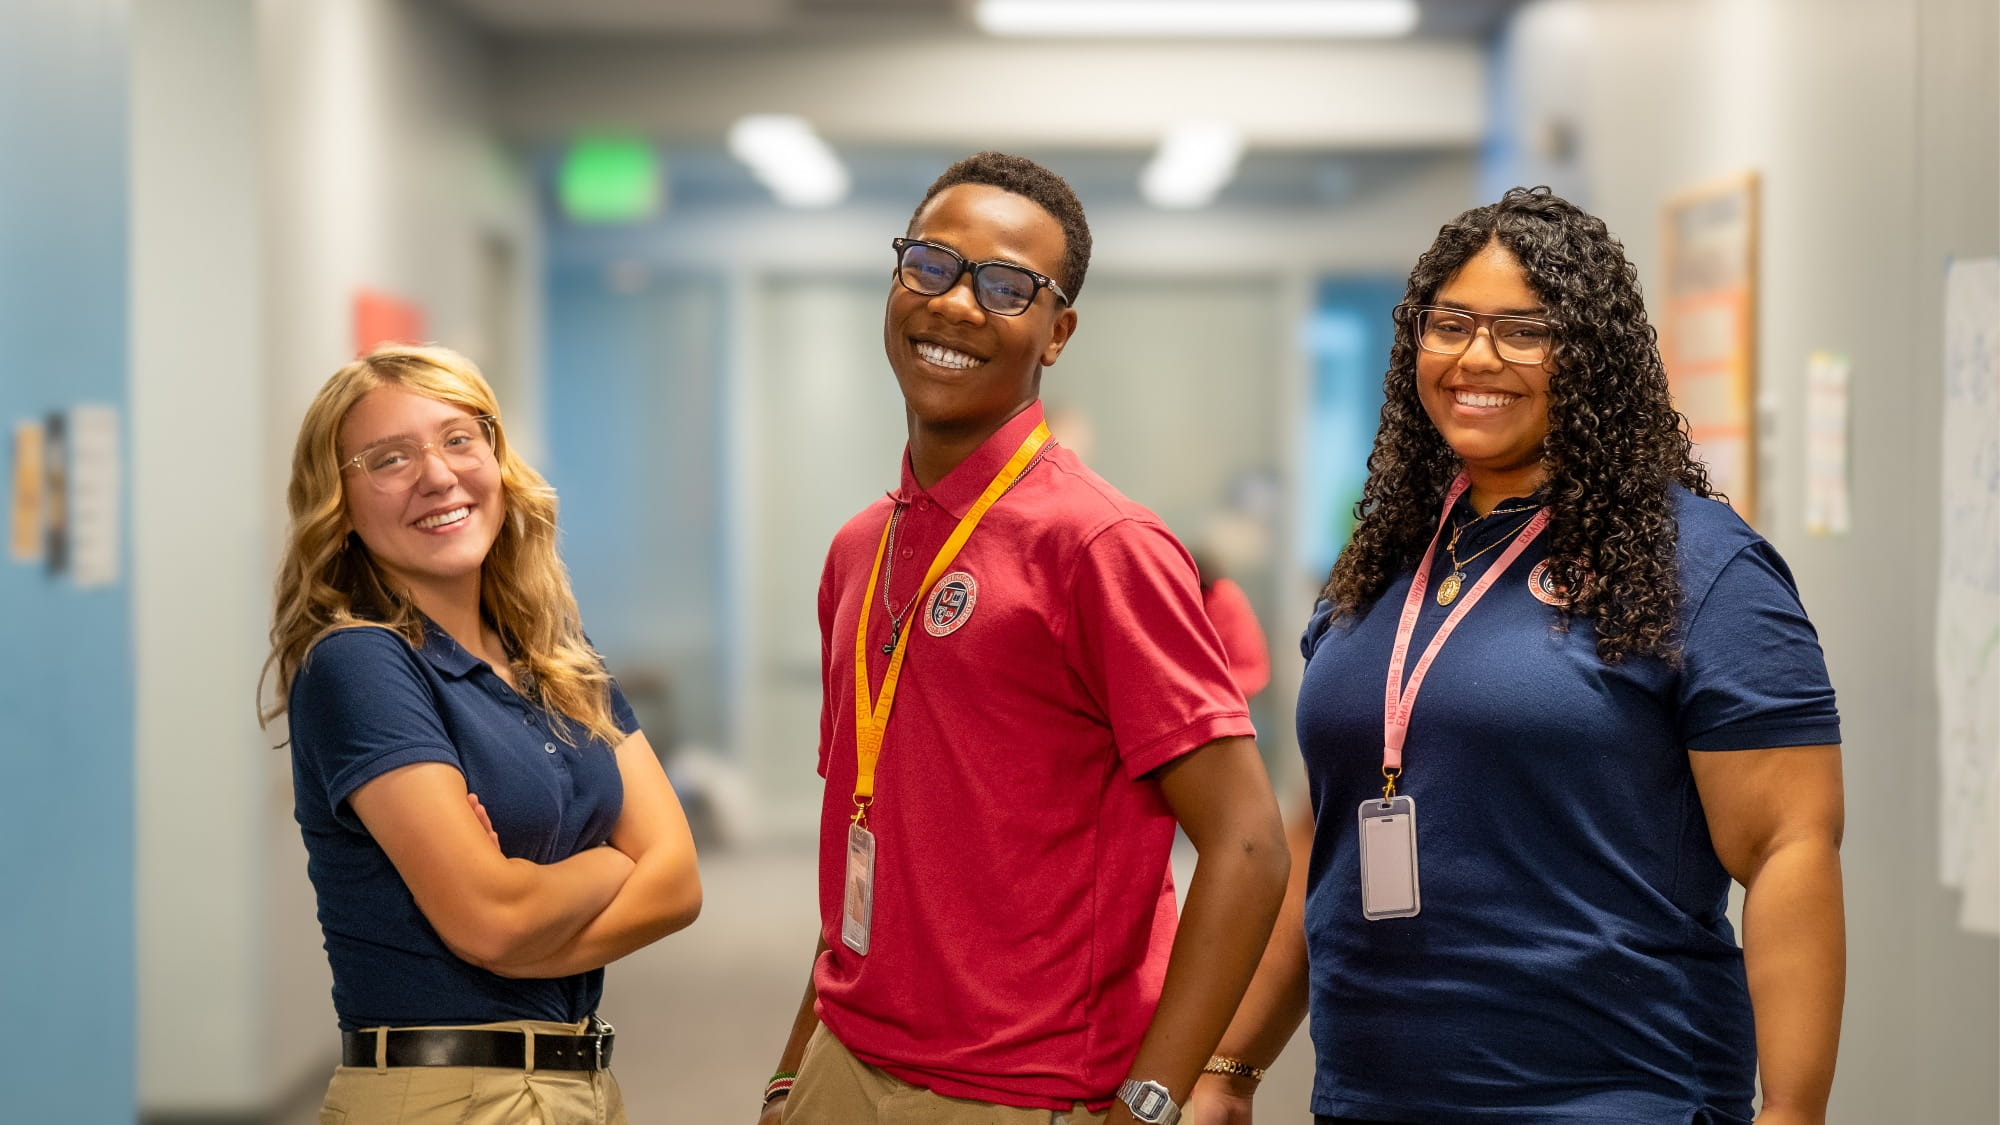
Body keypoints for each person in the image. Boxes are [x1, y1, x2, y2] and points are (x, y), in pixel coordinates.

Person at [1187, 187, 1845, 1125]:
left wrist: (1793, 1111)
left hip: (1612, 1095)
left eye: (1522, 331)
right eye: (1449, 323)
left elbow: (1791, 846)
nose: (1476, 358)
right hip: (1373, 1096)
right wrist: (1231, 1064)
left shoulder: (1700, 565)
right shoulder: (1385, 564)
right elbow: (1321, 837)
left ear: (1590, 358)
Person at [759, 152, 1290, 1125]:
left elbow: (1248, 842)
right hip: (844, 1065)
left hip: (1023, 1094)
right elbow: (868, 838)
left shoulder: (1100, 546)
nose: (956, 303)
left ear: (1057, 333)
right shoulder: (858, 551)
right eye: (929, 265)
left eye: (1006, 286)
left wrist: (1152, 1100)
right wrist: (795, 1072)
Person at [262, 344, 702, 1124]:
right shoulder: (360, 663)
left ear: (497, 459)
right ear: (341, 503)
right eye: (388, 458)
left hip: (578, 1086)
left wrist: (528, 911)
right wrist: (610, 860)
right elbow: (492, 918)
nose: (437, 475)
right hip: (444, 1099)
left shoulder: (556, 650)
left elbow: (677, 883)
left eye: (459, 438)